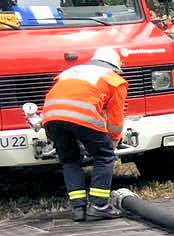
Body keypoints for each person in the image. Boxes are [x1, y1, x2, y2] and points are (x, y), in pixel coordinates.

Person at [41, 47, 129, 220]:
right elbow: (115, 118)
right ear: (115, 66)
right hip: (82, 115)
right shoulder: (113, 79)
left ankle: (78, 209)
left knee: (69, 160)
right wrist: (113, 140)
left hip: (51, 116)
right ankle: (98, 206)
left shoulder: (69, 72)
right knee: (104, 156)